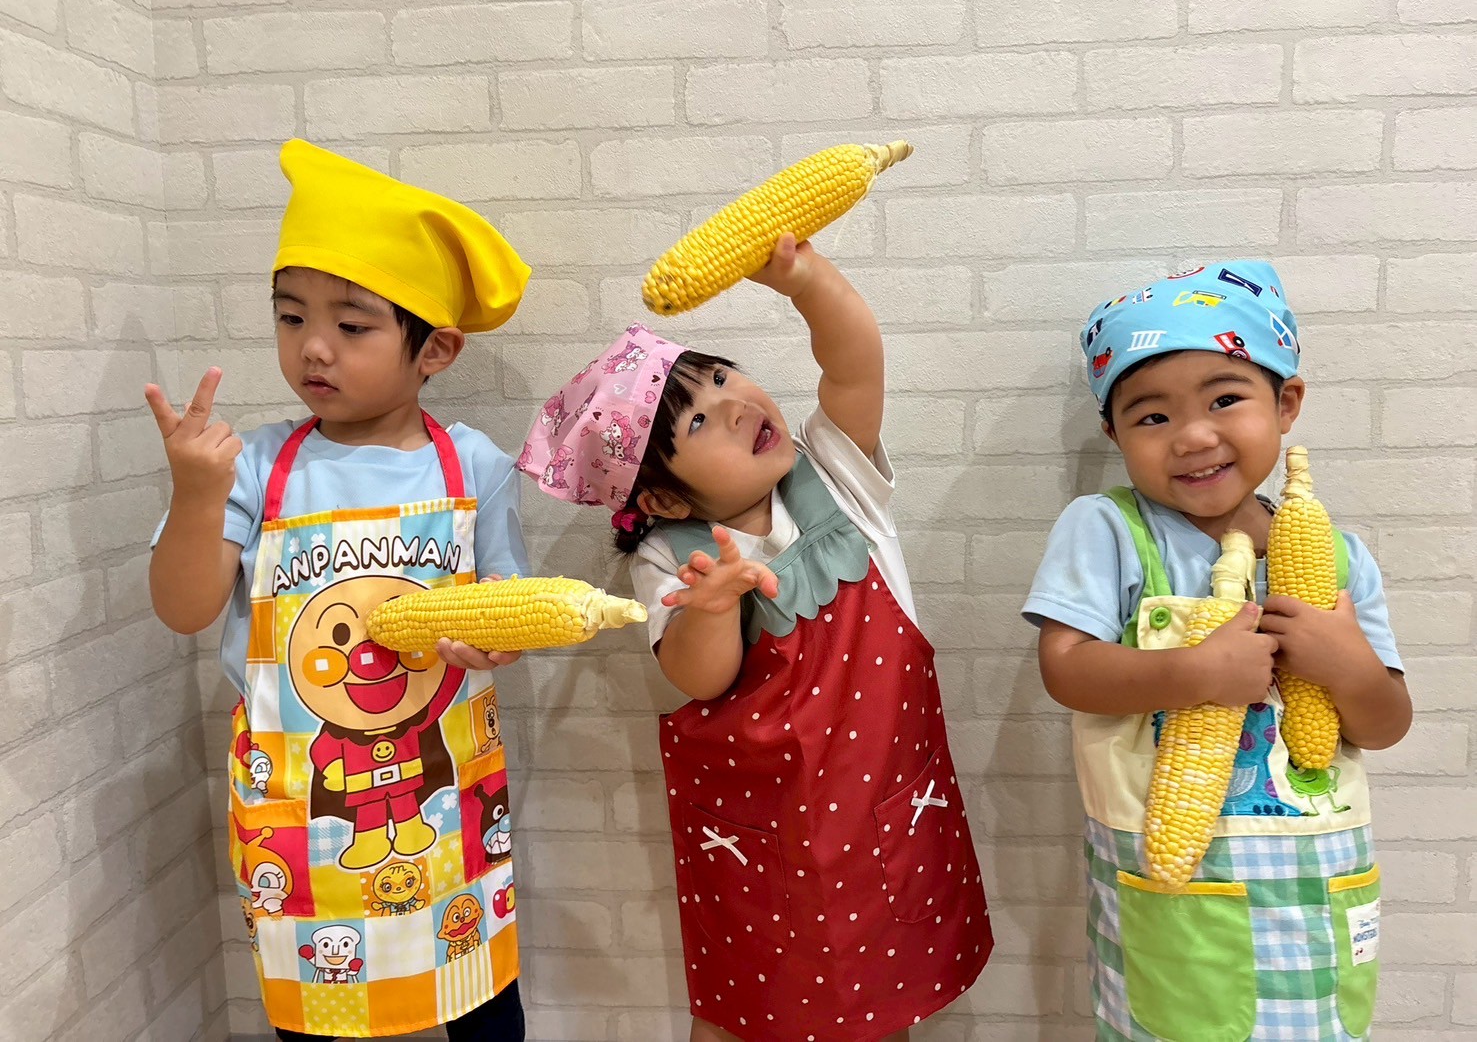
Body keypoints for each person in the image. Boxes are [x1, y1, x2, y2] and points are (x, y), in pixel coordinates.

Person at [517, 235, 992, 1042]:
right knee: (749, 1013)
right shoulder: (667, 557)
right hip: (759, 833)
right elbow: (699, 681)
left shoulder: (836, 472)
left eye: (722, 376)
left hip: (880, 809)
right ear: (663, 501)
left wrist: (805, 281)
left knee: (885, 1004)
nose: (737, 404)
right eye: (701, 419)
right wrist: (708, 609)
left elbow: (855, 366)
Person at [147, 140, 532, 1040]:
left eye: (352, 326)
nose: (311, 347)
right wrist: (197, 494)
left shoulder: (472, 465)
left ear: (435, 349)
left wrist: (499, 637)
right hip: (303, 811)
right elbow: (183, 609)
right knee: (318, 1022)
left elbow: (510, 605)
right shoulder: (255, 466)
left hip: (443, 806)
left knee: (481, 1011)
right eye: (290, 317)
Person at [1022, 262, 1411, 1040]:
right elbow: (1065, 668)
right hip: (1172, 879)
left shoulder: (1339, 558)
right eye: (1150, 416)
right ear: (1113, 434)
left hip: (1316, 878)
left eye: (1224, 400)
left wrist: (1346, 666)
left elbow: (1384, 724)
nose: (1192, 436)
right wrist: (1191, 672)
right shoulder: (1107, 529)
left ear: (1286, 403)